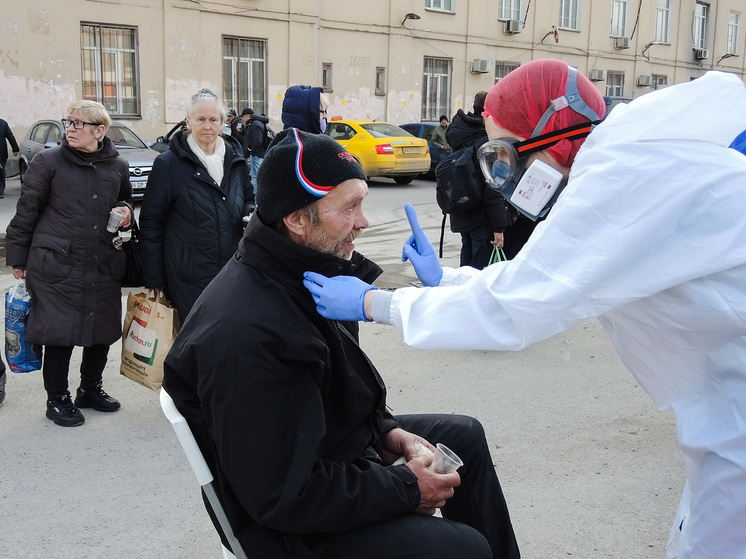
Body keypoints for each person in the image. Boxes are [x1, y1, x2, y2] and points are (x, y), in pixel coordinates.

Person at [303, 60, 746, 559]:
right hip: (723, 390)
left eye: (507, 152)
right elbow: (545, 277)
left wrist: (377, 302)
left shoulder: (622, 177)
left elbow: (520, 305)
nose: (503, 170)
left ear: (554, 133)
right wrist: (446, 279)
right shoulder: (621, 156)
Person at [163, 128, 520, 559]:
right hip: (288, 531)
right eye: (350, 207)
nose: (364, 222)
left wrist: (388, 434)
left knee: (462, 436)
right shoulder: (250, 334)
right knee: (463, 549)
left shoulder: (309, 273)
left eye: (362, 203)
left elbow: (339, 395)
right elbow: (282, 495)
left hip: (323, 457)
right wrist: (407, 487)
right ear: (297, 218)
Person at [5, 100, 133, 427]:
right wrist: (18, 260)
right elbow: (26, 212)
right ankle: (57, 398)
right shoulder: (48, 162)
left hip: (102, 260)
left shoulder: (117, 165)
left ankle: (90, 389)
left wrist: (125, 211)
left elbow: (125, 199)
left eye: (79, 124)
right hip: (55, 264)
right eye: (69, 122)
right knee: (59, 334)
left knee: (101, 332)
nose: (70, 129)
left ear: (100, 131)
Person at [139, 88, 254, 323]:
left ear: (223, 122)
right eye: (200, 119)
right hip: (187, 278)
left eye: (213, 119)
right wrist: (154, 279)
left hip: (231, 272)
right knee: (193, 345)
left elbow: (248, 198)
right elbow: (151, 223)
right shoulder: (168, 164)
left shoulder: (236, 159)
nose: (207, 126)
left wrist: (248, 214)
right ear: (188, 122)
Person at [445, 93, 508, 269]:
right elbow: (492, 186)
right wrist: (499, 227)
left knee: (466, 266)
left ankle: (461, 294)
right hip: (482, 217)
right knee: (480, 272)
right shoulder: (486, 141)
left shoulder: (462, 133)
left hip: (463, 210)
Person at [245, 111, 270, 185]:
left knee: (256, 176)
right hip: (261, 152)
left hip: (257, 153)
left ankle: (256, 195)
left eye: (243, 117)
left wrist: (252, 151)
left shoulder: (255, 124)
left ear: (247, 116)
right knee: (258, 175)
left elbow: (257, 141)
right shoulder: (260, 123)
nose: (243, 119)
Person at [0, 117, 20, 198]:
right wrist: (15, 149)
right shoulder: (3, 123)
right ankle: (0, 190)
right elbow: (10, 136)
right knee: (1, 171)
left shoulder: (3, 123)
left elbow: (10, 136)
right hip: (1, 152)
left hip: (1, 152)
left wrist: (15, 149)